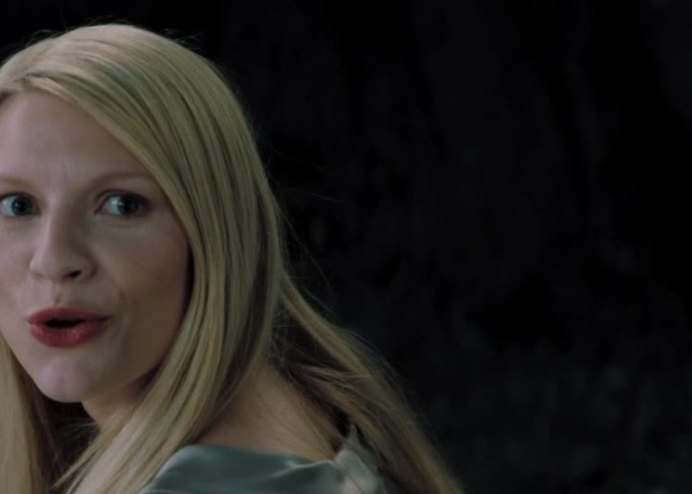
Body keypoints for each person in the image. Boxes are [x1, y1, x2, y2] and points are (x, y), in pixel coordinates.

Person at [0, 24, 463, 494]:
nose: (53, 260)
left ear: (215, 230)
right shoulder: (303, 411)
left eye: (122, 205)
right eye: (17, 205)